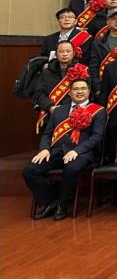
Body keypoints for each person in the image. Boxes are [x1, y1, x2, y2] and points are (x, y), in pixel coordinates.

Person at [23, 77, 104, 220]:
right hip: (56, 152)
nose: (79, 92)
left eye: (83, 88)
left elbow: (97, 137)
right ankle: (50, 202)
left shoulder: (98, 111)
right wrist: (44, 149)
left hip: (81, 154)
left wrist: (76, 151)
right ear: (70, 93)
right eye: (76, 89)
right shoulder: (59, 110)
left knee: (71, 169)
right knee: (29, 170)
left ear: (89, 92)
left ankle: (62, 205)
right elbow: (47, 134)